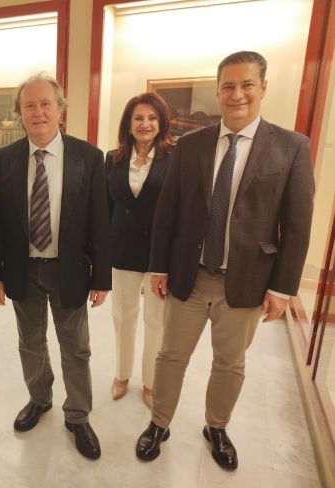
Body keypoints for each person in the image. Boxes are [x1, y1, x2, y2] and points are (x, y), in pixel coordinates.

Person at [135, 51, 315, 470]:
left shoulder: (291, 147)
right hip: (190, 275)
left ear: (263, 88)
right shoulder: (190, 145)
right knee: (170, 356)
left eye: (247, 85)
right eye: (228, 86)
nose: (237, 94)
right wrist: (159, 267)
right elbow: (167, 212)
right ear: (217, 92)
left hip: (247, 279)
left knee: (230, 362)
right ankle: (159, 423)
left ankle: (217, 426)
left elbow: (297, 225)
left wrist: (282, 288)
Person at [0, 73, 111, 460]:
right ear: (20, 113)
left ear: (60, 110)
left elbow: (100, 221)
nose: (37, 112)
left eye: (45, 104)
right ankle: (39, 398)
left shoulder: (88, 157)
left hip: (69, 270)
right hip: (23, 269)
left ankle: (78, 414)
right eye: (29, 106)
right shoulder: (6, 158)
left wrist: (102, 278)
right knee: (30, 343)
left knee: (76, 347)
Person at [106, 92, 174, 409]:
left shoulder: (174, 158)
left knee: (155, 321)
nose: (145, 124)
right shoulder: (113, 158)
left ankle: (150, 382)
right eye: (138, 118)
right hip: (122, 251)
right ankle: (122, 375)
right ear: (128, 124)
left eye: (152, 118)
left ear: (161, 123)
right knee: (123, 317)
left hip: (160, 254)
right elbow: (106, 207)